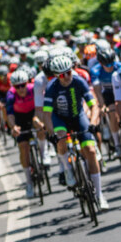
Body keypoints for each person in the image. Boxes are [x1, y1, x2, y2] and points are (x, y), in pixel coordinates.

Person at [43, 55, 108, 209]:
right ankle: (67, 169)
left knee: (91, 151)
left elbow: (93, 106)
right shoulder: (52, 87)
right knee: (61, 139)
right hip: (60, 119)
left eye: (68, 72)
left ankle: (99, 195)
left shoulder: (79, 81)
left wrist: (93, 123)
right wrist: (51, 132)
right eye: (61, 75)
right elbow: (46, 114)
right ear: (56, 76)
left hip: (78, 116)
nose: (66, 77)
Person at [5, 70, 41, 198]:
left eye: (23, 85)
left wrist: (38, 119)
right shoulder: (10, 94)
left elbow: (40, 107)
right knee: (24, 147)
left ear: (27, 83)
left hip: (33, 114)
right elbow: (9, 115)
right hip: (19, 118)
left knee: (41, 129)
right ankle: (29, 182)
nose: (20, 88)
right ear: (13, 87)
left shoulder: (33, 89)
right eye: (17, 86)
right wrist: (13, 127)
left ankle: (44, 154)